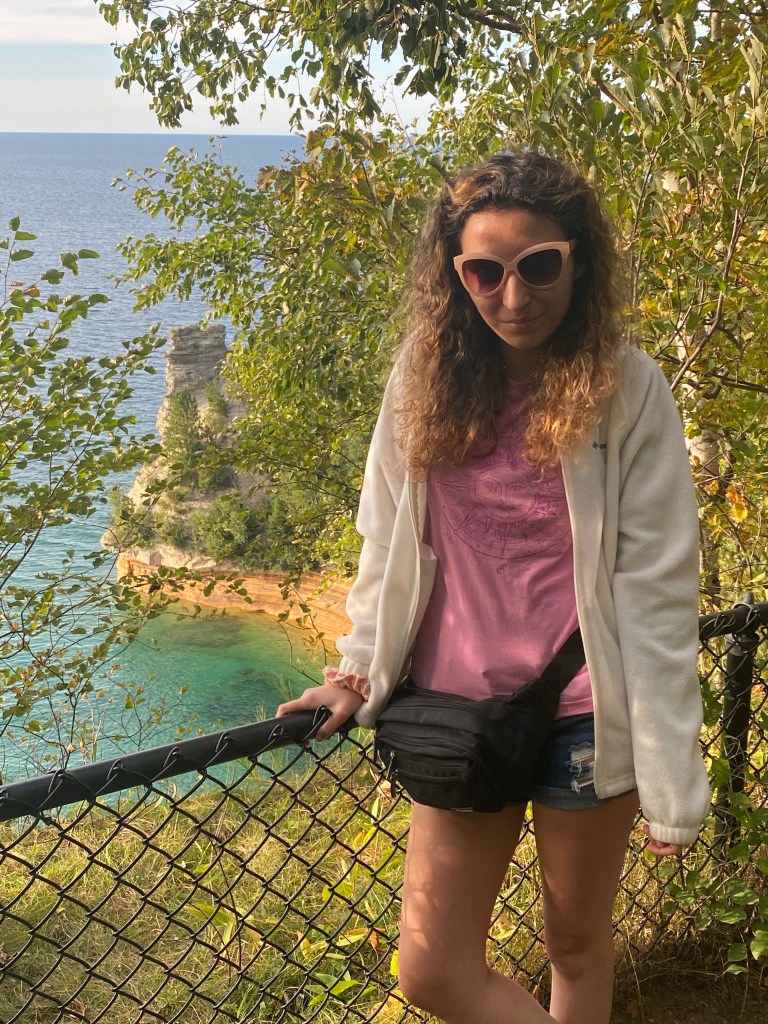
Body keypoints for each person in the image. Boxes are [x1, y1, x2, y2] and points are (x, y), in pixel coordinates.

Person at [277, 150, 711, 1024]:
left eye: (539, 266)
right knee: (432, 970)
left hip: (585, 714)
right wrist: (357, 670)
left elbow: (658, 592)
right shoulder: (423, 377)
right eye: (484, 271)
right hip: (455, 713)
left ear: (578, 261)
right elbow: (387, 543)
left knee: (576, 946)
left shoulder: (628, 390)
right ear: (455, 273)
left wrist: (672, 775)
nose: (513, 297)